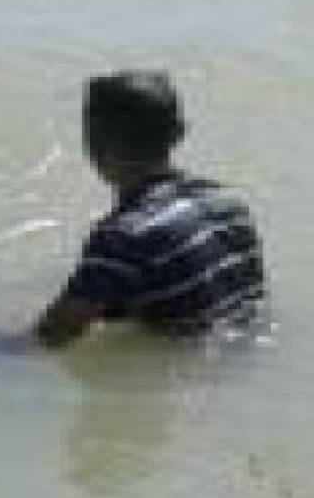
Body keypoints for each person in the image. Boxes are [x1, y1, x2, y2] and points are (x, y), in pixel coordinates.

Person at [32, 71, 265, 348]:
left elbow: (52, 337)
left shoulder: (123, 236)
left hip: (188, 372)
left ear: (92, 145)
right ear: (179, 133)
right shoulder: (227, 202)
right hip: (241, 353)